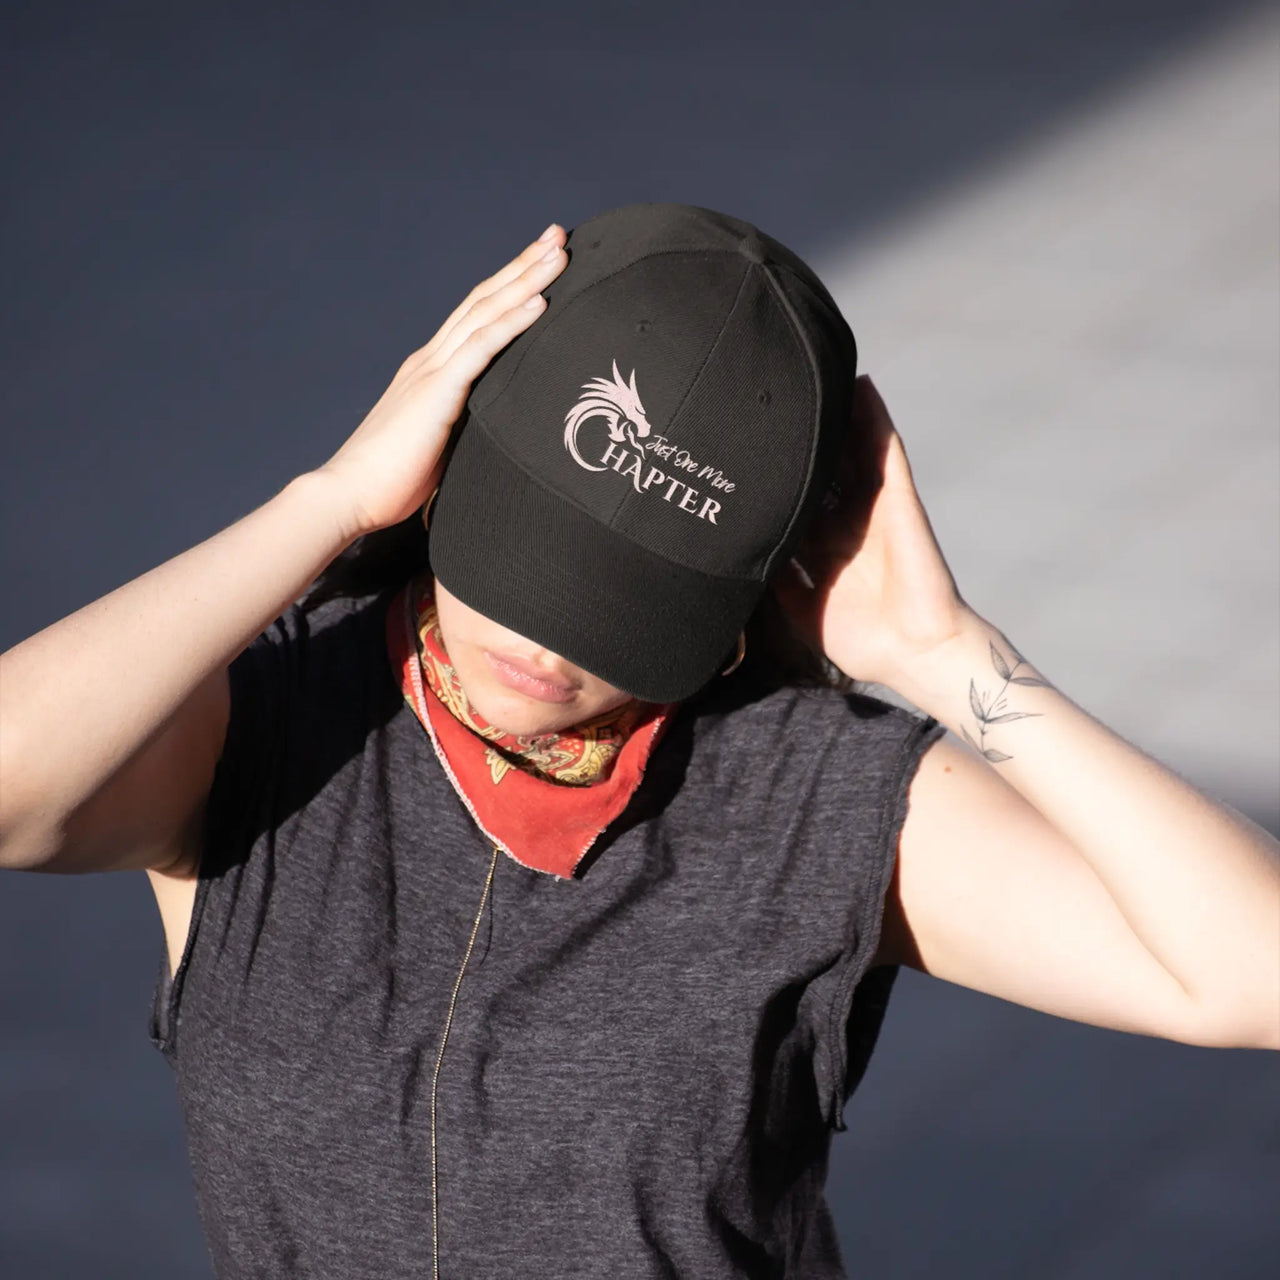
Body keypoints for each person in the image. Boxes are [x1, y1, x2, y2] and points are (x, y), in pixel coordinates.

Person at [1, 202, 1276, 1280]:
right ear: (446, 461)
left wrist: (948, 658)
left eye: (627, 605)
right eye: (532, 555)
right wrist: (325, 504)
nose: (547, 650)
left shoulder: (803, 794)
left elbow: (1251, 978)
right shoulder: (274, 716)